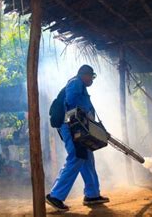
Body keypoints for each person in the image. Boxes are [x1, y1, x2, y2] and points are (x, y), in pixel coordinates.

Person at [46, 65, 109, 212]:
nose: (92, 80)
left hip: (77, 126)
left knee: (86, 157)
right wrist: (84, 120)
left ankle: (92, 195)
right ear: (84, 75)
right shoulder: (76, 83)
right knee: (76, 157)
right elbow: (71, 102)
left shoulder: (81, 86)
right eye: (91, 77)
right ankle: (55, 196)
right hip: (71, 126)